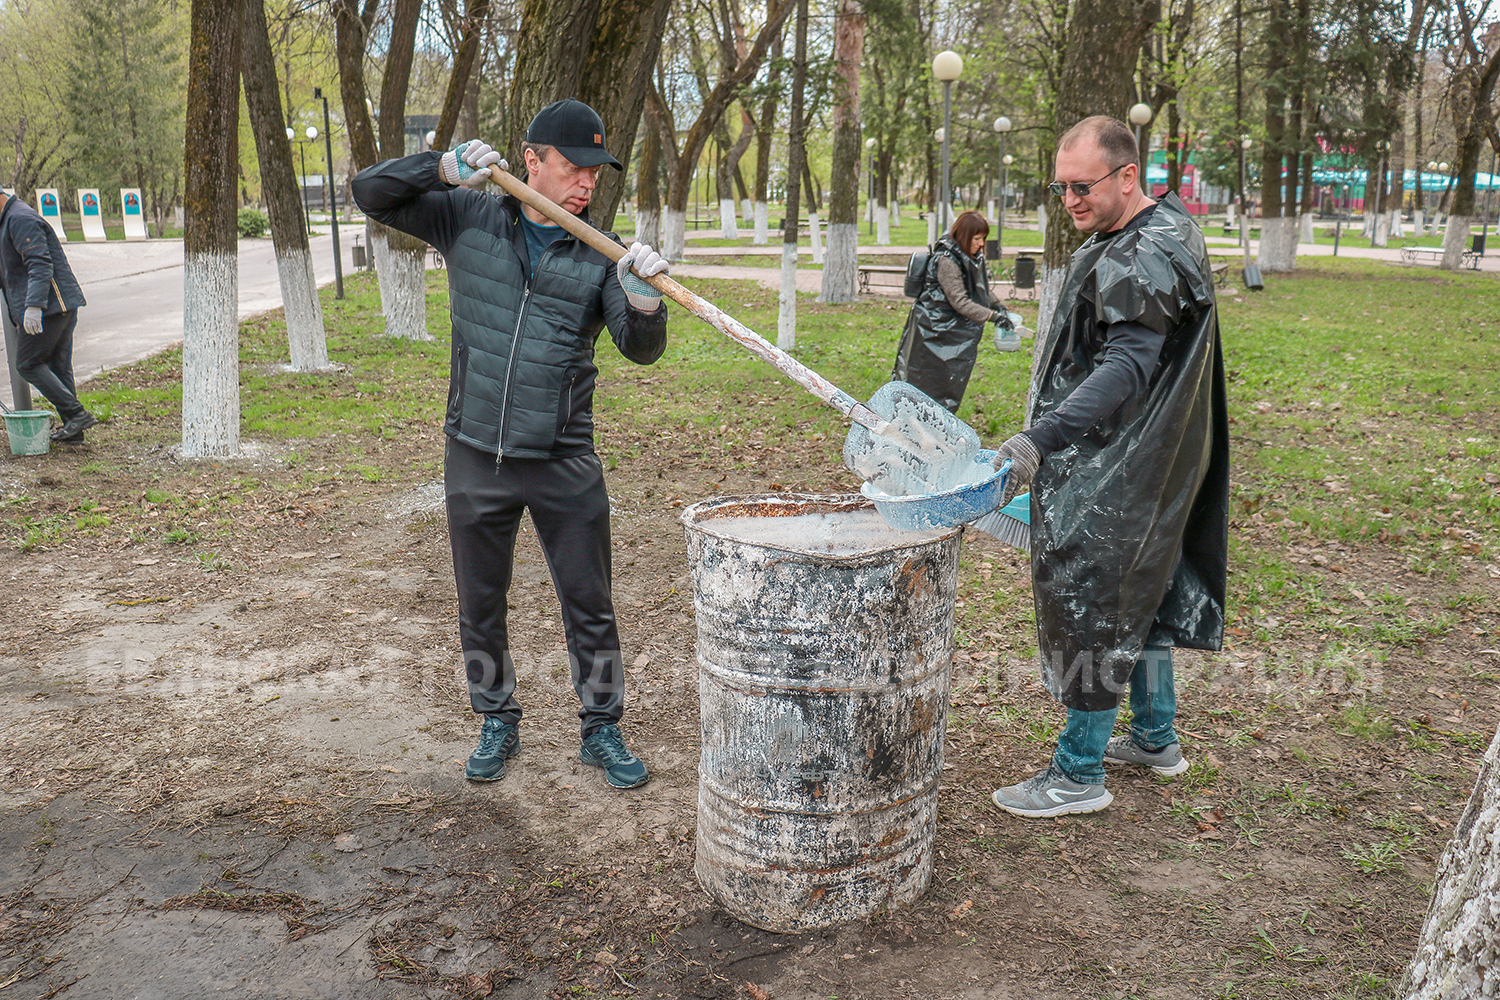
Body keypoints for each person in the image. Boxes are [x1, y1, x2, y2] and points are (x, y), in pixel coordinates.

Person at [352, 99, 671, 790]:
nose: (587, 183)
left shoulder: (600, 251)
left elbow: (640, 349)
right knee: (481, 604)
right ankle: (497, 718)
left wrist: (644, 297)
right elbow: (368, 193)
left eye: (597, 171)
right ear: (532, 162)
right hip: (475, 455)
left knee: (591, 603)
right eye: (574, 167)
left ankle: (603, 727)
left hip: (563, 458)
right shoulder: (465, 216)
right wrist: (440, 167)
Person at [987, 115, 1229, 818]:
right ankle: (1155, 738)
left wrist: (1042, 437)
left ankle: (1078, 773)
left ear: (1128, 175)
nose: (1070, 201)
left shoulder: (1139, 255)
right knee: (1142, 597)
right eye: (1060, 188)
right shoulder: (1170, 226)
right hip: (1161, 454)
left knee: (1097, 603)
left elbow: (1126, 365)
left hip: (1123, 462)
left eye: (1082, 186)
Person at [892, 210, 1015, 414]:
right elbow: (960, 301)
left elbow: (978, 289)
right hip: (933, 333)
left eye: (983, 238)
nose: (982, 243)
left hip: (950, 333)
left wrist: (998, 305)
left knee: (945, 388)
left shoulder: (969, 256)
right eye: (977, 238)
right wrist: (993, 316)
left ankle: (935, 429)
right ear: (964, 236)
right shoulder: (947, 261)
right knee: (927, 386)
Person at [0, 190, 94, 442]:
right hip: (57, 306)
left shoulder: (19, 218)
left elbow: (40, 264)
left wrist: (34, 306)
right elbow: (10, 268)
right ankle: (75, 432)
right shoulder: (9, 219)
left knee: (27, 364)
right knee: (58, 367)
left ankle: (77, 414)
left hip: (50, 308)